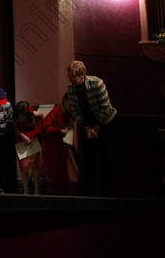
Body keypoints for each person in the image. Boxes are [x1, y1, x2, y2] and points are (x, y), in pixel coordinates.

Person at [63, 60, 117, 196]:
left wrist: (96, 128)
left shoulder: (97, 83)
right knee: (88, 160)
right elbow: (75, 110)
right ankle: (89, 193)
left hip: (105, 122)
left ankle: (107, 193)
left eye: (73, 76)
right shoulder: (71, 88)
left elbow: (105, 108)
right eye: (69, 76)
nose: (71, 79)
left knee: (106, 158)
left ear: (82, 75)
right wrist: (87, 128)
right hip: (87, 124)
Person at [40, 96, 73, 195]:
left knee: (63, 170)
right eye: (70, 105)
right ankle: (54, 193)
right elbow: (46, 128)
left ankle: (63, 192)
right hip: (52, 146)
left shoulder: (68, 114)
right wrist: (59, 131)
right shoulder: (55, 112)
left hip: (62, 145)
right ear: (65, 102)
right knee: (53, 170)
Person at [13, 100, 43, 195]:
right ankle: (25, 191)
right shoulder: (15, 117)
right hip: (22, 142)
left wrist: (41, 128)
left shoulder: (32, 114)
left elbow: (42, 114)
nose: (22, 118)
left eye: (24, 116)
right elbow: (15, 128)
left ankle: (36, 190)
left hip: (33, 141)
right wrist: (23, 136)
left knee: (35, 167)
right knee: (24, 168)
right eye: (21, 115)